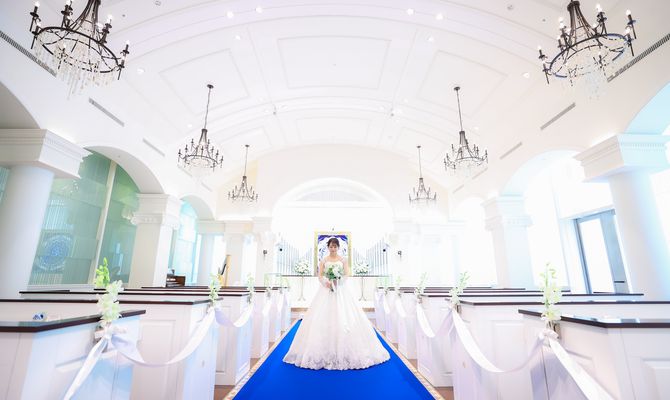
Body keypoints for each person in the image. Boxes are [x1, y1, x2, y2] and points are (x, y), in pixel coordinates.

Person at [283, 237, 390, 370]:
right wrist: (326, 282)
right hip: (326, 289)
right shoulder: (323, 260)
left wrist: (338, 281)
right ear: (328, 247)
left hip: (341, 290)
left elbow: (346, 274)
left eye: (335, 246)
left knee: (344, 315)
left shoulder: (343, 260)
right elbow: (320, 275)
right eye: (331, 246)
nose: (333, 248)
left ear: (338, 247)